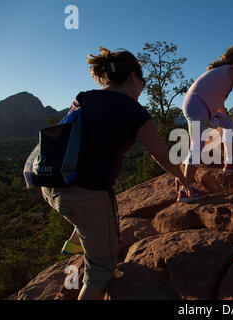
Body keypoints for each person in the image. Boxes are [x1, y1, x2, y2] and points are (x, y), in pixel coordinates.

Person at [41, 47, 191, 300]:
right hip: (86, 195)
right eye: (143, 81)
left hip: (52, 185)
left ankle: (77, 238)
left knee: (89, 215)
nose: (142, 87)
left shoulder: (83, 97)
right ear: (133, 77)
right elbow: (161, 154)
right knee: (100, 271)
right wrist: (184, 178)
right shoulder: (133, 110)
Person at [178, 46, 233, 203]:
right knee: (197, 147)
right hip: (198, 105)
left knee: (229, 123)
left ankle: (231, 162)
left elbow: (219, 104)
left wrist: (224, 117)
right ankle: (185, 190)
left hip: (197, 103)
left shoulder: (221, 72)